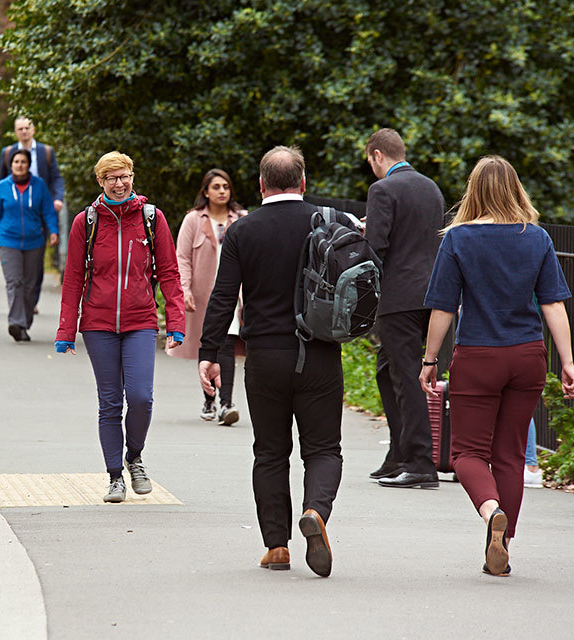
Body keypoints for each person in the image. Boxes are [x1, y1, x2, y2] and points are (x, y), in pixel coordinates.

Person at [199, 146, 357, 577]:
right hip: (319, 353)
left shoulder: (242, 231)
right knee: (323, 449)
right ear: (303, 182)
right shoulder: (329, 223)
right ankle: (315, 511)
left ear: (261, 185)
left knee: (270, 452)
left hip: (265, 357)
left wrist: (210, 354)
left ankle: (277, 547)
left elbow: (223, 297)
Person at [419, 155, 574, 577]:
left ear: (473, 190)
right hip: (527, 356)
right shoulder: (537, 237)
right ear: (515, 189)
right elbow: (553, 304)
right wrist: (567, 360)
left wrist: (430, 359)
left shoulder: (458, 238)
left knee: (467, 452)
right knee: (510, 455)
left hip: (478, 356)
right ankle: (502, 548)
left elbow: (443, 308)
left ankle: (491, 513)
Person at [56, 151, 185, 503]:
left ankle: (134, 457)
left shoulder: (150, 218)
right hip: (97, 324)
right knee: (110, 402)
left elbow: (169, 273)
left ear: (132, 178)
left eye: (124, 176)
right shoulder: (86, 222)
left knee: (141, 398)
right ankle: (115, 476)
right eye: (111, 178)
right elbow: (73, 278)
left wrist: (175, 321)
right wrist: (66, 330)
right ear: (101, 182)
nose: (119, 183)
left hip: (140, 320)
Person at [364, 128, 446, 488]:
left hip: (398, 297)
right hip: (431, 294)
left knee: (407, 377)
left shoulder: (382, 189)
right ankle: (398, 453)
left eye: (370, 161)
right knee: (387, 371)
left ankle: (420, 462)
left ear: (378, 155)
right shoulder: (431, 188)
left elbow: (375, 247)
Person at [172, 168, 246, 425]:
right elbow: (182, 258)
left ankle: (226, 403)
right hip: (203, 295)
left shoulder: (241, 219)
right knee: (208, 345)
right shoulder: (193, 220)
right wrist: (185, 290)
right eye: (216, 187)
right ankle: (209, 399)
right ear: (205, 192)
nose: (222, 191)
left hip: (233, 294)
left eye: (226, 187)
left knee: (227, 343)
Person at [0, 149, 59, 342]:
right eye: (16, 162)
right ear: (11, 165)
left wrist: (53, 231)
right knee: (14, 282)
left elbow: (48, 211)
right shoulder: (2, 187)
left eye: (23, 162)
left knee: (30, 285)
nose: (19, 165)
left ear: (28, 165)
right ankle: (16, 323)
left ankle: (24, 324)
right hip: (8, 241)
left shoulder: (39, 186)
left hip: (34, 242)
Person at [0, 117, 65, 309]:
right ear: (15, 132)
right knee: (16, 262)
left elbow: (56, 178)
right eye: (20, 129)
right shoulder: (8, 153)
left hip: (40, 211)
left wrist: (57, 198)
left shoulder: (46, 152)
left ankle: (31, 300)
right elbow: (1, 181)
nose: (24, 131)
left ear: (33, 130)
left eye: (27, 128)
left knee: (36, 260)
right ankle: (20, 300)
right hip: (16, 212)